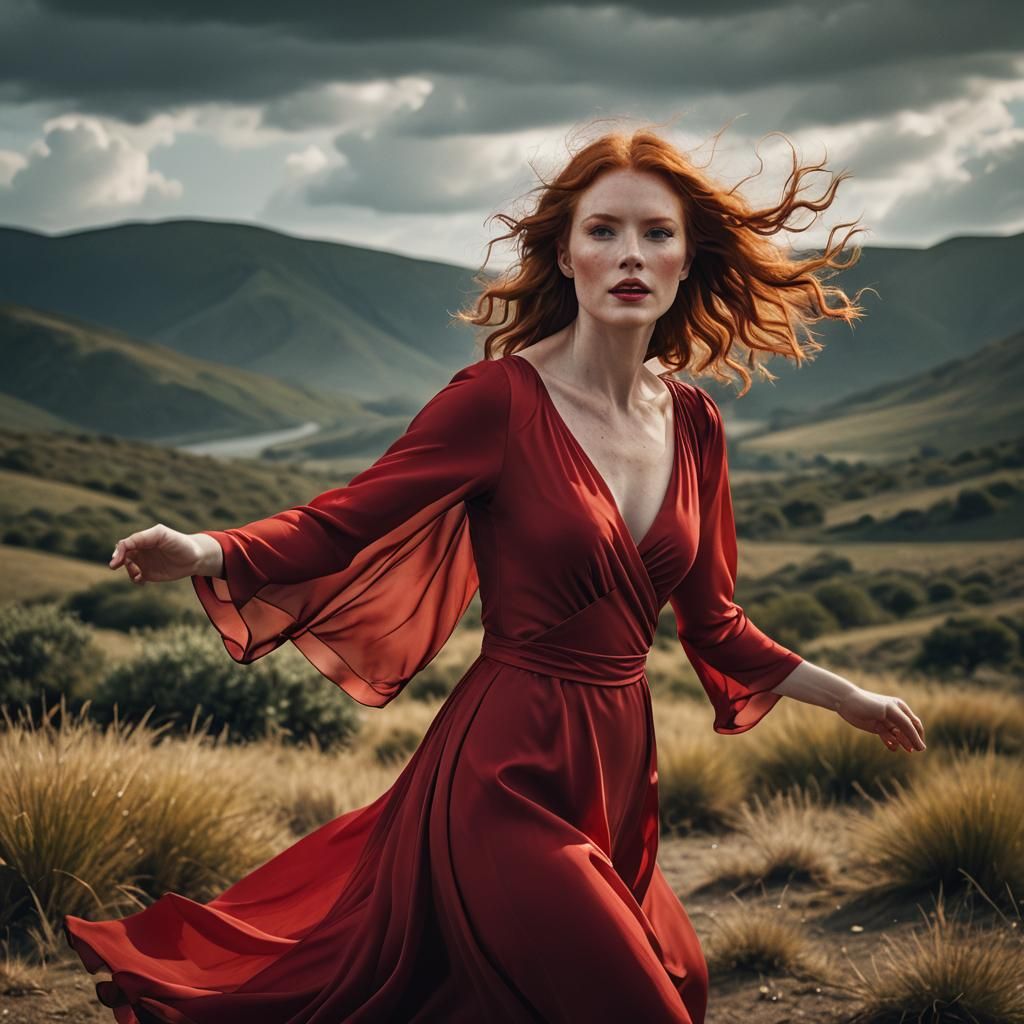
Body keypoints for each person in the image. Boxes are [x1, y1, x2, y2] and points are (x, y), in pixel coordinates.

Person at [62, 124, 926, 1024]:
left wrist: (848, 697)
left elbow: (714, 623)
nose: (630, 254)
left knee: (669, 989)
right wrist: (205, 549)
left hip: (621, 779)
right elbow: (343, 523)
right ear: (565, 254)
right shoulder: (498, 401)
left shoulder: (698, 424)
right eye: (603, 231)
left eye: (656, 233)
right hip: (504, 773)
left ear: (685, 259)